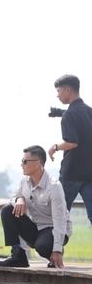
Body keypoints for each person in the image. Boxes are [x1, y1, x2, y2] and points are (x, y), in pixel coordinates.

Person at [0, 145, 73, 269]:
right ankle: (18, 256)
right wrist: (19, 199)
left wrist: (57, 249)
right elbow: (13, 198)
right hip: (35, 228)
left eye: (24, 161)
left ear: (38, 163)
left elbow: (60, 221)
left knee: (42, 247)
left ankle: (55, 253)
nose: (22, 164)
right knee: (7, 211)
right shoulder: (24, 181)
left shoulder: (54, 187)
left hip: (53, 228)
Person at [48, 74, 92, 224]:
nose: (57, 95)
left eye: (59, 91)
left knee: (58, 216)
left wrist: (55, 147)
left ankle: (54, 247)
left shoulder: (69, 115)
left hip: (71, 174)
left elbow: (72, 143)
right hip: (90, 174)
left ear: (67, 90)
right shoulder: (89, 111)